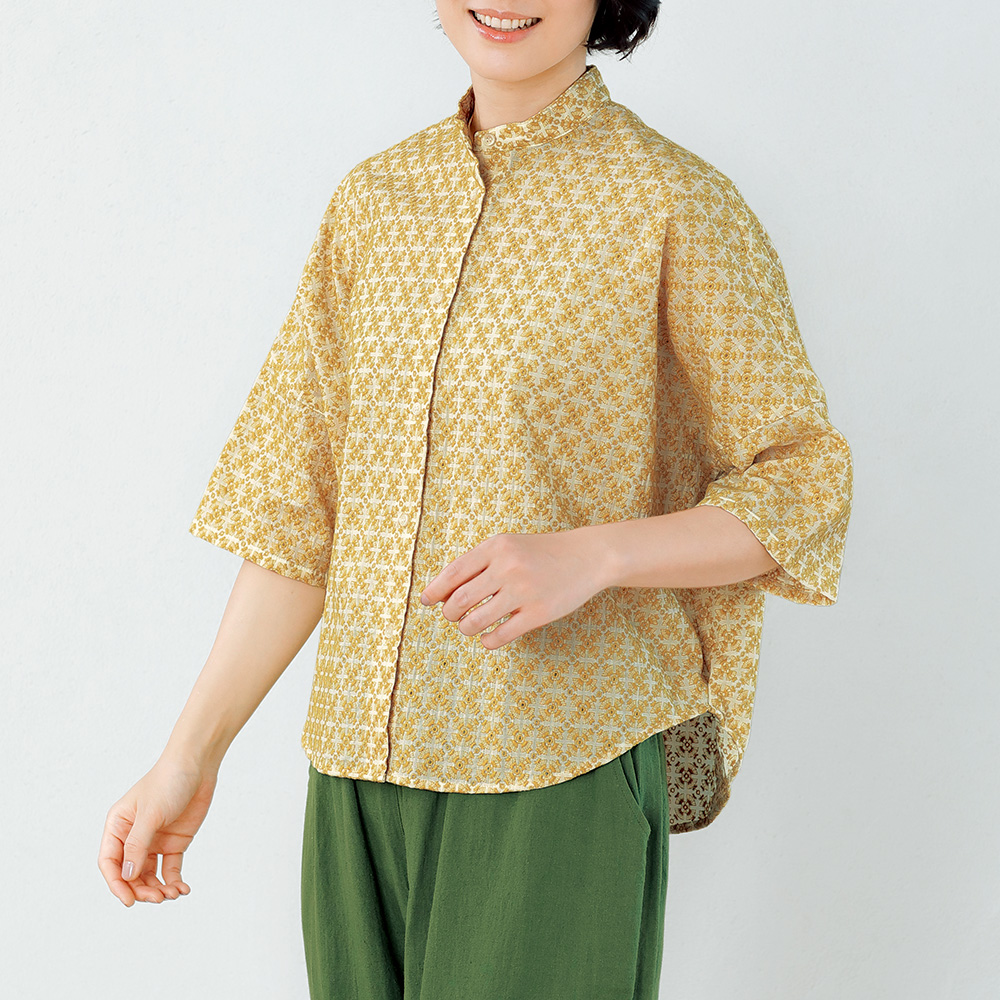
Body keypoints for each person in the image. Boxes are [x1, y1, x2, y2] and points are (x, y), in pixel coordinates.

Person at [98, 3, 853, 998]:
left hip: (552, 762)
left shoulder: (672, 203)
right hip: (354, 771)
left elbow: (803, 480)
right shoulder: (373, 204)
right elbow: (301, 513)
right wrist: (189, 755)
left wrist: (597, 554)